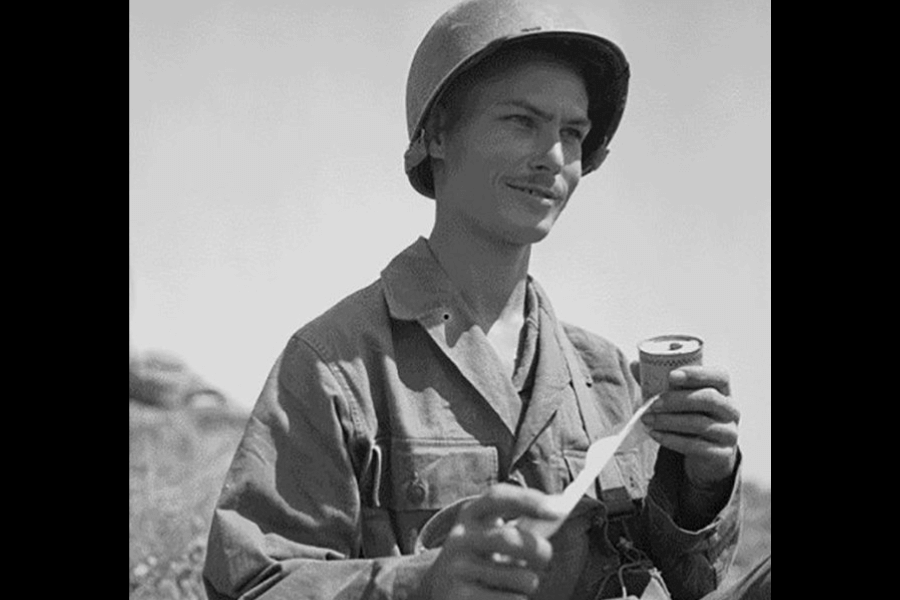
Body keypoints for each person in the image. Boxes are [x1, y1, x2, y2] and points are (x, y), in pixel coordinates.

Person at [203, 1, 755, 598]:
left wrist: (703, 481)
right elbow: (251, 581)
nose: (554, 157)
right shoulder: (338, 365)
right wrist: (423, 582)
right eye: (522, 121)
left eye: (572, 132)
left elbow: (684, 581)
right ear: (439, 133)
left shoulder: (604, 378)